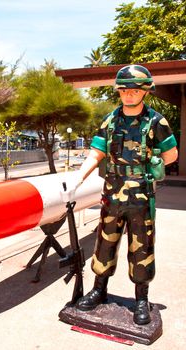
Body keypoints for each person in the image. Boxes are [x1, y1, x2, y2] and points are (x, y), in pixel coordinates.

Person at [63, 64, 178, 325]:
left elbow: (171, 154)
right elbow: (96, 152)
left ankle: (141, 299)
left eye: (134, 90)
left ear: (145, 91)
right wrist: (78, 178)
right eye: (124, 90)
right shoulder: (110, 120)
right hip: (113, 194)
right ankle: (98, 289)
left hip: (141, 196)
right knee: (105, 242)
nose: (128, 94)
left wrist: (154, 163)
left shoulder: (156, 121)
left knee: (142, 246)